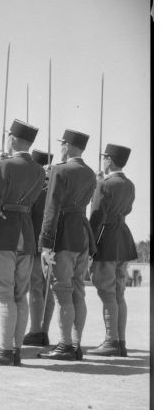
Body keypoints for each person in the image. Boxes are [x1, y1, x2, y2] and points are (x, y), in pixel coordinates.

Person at [0, 120, 45, 366]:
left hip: (4, 235)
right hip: (26, 236)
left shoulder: (4, 166)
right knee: (19, 296)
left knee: (5, 295)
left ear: (13, 139)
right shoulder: (39, 170)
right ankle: (15, 349)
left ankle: (5, 351)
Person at [37, 129, 97, 361]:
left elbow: (51, 209)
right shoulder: (91, 173)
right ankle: (76, 344)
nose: (60, 147)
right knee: (78, 291)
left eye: (62, 143)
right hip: (82, 233)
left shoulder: (60, 170)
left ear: (69, 146)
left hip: (63, 235)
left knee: (62, 291)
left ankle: (65, 345)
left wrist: (46, 243)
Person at [87, 144, 138, 357]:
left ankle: (111, 341)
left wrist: (90, 245)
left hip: (106, 238)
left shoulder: (104, 185)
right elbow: (127, 209)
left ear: (108, 160)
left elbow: (97, 216)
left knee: (107, 292)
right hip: (123, 239)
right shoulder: (129, 184)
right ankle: (120, 341)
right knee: (119, 293)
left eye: (104, 158)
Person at [23, 150, 55, 347]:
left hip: (35, 244)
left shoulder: (35, 187)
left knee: (36, 288)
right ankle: (43, 330)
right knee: (47, 290)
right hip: (51, 244)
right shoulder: (55, 186)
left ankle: (36, 331)